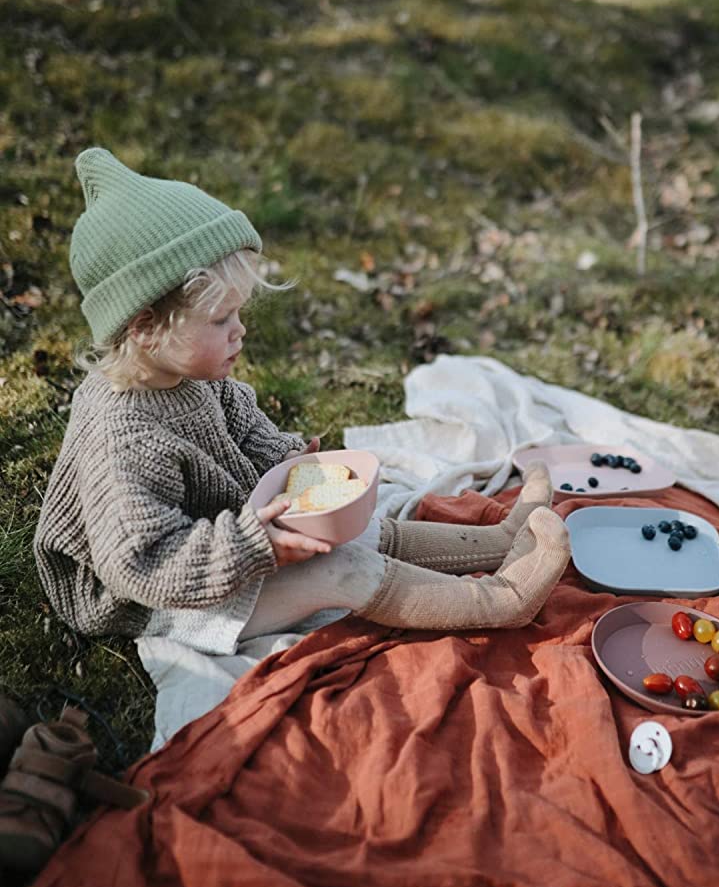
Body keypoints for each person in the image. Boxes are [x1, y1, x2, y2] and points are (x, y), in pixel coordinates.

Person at [34, 148, 570, 659]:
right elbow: (140, 561)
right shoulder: (123, 434)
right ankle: (503, 601)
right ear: (145, 327)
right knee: (341, 568)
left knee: (355, 526)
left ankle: (498, 542)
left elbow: (242, 428)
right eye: (221, 320)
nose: (239, 332)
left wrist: (291, 465)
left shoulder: (190, 374)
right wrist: (254, 544)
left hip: (223, 538)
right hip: (154, 599)